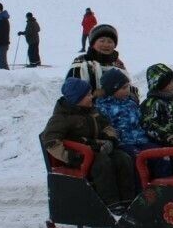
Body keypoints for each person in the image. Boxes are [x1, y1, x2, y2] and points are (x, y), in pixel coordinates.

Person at [41, 77, 135, 210]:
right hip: (80, 156)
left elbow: (107, 127)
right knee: (102, 164)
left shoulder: (93, 112)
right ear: (77, 99)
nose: (92, 97)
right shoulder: (62, 118)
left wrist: (110, 140)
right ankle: (112, 204)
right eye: (88, 95)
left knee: (123, 158)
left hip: (97, 149)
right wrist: (72, 156)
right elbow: (51, 142)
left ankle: (128, 201)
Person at [96, 68, 156, 162]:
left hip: (141, 140)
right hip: (124, 143)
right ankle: (139, 177)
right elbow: (107, 128)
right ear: (112, 90)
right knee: (138, 159)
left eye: (128, 86)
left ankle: (162, 176)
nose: (127, 90)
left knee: (160, 154)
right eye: (123, 88)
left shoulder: (131, 103)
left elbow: (140, 121)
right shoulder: (103, 107)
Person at [67, 23, 137, 98]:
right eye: (102, 41)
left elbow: (129, 87)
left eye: (110, 41)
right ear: (93, 43)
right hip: (89, 108)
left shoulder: (118, 64)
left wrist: (132, 96)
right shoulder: (82, 62)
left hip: (118, 108)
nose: (106, 45)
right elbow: (71, 90)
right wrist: (94, 94)